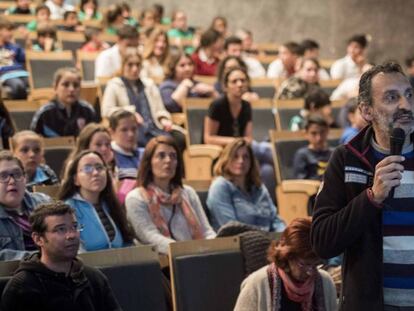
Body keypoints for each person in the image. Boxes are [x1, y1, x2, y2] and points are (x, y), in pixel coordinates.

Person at [311, 62, 414, 310]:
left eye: (409, 95)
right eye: (392, 97)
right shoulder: (347, 159)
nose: (406, 105)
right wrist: (371, 198)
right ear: (366, 111)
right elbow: (323, 241)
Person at [1, 202, 122, 310]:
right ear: (38, 239)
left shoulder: (94, 278)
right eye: (61, 229)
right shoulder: (23, 286)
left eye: (74, 227)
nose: (71, 235)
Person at [125, 136, 216, 254]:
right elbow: (149, 237)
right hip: (163, 264)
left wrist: (215, 246)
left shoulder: (188, 192)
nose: (168, 160)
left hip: (198, 255)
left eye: (173, 156)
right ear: (149, 162)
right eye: (161, 156)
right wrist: (188, 250)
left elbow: (206, 231)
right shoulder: (135, 198)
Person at [204, 66, 276, 202]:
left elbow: (248, 138)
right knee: (266, 150)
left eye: (243, 80)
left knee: (267, 171)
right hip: (223, 152)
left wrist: (241, 142)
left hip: (242, 150)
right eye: (234, 81)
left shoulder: (246, 106)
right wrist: (235, 141)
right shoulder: (217, 105)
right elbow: (208, 138)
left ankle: (265, 207)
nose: (240, 84)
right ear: (225, 86)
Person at [234, 217, 337, 311]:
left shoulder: (325, 282)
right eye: (303, 264)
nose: (310, 272)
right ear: (288, 256)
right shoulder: (257, 283)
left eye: (315, 265)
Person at [102, 50, 186, 150]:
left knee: (179, 138)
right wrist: (129, 113)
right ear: (123, 65)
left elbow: (160, 109)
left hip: (153, 127)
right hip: (131, 128)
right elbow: (106, 111)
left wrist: (163, 119)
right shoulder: (114, 85)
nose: (134, 69)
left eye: (138, 65)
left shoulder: (149, 84)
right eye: (130, 65)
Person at [59, 150, 135, 251]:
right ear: (76, 179)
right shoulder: (68, 210)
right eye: (87, 168)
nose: (95, 173)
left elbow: (128, 243)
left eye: (99, 167)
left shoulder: (112, 204)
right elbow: (75, 252)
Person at [207, 138, 285, 232]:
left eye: (246, 157)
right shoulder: (220, 187)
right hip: (240, 243)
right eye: (235, 156)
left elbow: (275, 220)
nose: (241, 161)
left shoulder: (258, 187)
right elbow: (231, 228)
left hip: (269, 241)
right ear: (226, 159)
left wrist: (285, 236)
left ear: (251, 161)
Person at [0, 151, 51, 261]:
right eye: (3, 176)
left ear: (25, 178)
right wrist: (40, 258)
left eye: (17, 174)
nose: (12, 181)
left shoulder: (45, 203)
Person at [31, 67, 96, 137]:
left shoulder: (88, 110)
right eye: (66, 85)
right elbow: (33, 138)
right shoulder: (45, 113)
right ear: (55, 87)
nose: (71, 89)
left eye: (76, 85)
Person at [292, 116, 333, 180]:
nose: (319, 138)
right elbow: (300, 182)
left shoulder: (334, 153)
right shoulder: (302, 155)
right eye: (313, 133)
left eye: (322, 132)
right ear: (306, 133)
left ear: (327, 132)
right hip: (313, 189)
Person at [108, 109, 143, 180]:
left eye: (134, 129)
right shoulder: (109, 157)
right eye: (124, 130)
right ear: (111, 132)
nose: (131, 134)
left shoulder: (144, 154)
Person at [0, 18, 29, 99]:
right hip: (5, 75)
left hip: (21, 72)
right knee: (19, 86)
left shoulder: (14, 46)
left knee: (39, 84)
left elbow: (27, 59)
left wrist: (27, 39)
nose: (11, 33)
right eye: (8, 30)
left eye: (12, 30)